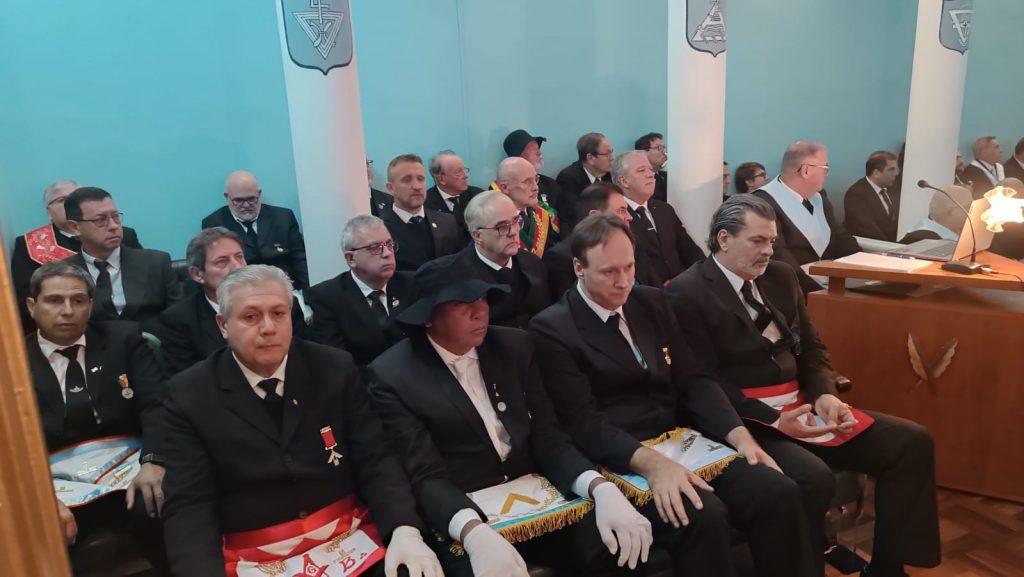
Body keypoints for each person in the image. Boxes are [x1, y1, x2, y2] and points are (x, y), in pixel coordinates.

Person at [665, 195, 941, 577]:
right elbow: (702, 382)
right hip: (749, 420)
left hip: (803, 406)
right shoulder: (687, 291)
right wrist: (775, 420)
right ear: (724, 239)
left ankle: (886, 569)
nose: (768, 251)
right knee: (812, 477)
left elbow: (812, 349)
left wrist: (825, 395)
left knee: (911, 442)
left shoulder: (781, 276)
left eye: (772, 241)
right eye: (757, 241)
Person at [529, 214, 814, 577]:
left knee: (777, 491)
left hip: (682, 441)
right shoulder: (553, 328)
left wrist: (739, 435)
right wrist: (652, 464)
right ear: (578, 268)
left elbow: (693, 379)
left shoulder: (650, 302)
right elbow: (584, 422)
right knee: (703, 514)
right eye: (609, 272)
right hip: (622, 456)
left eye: (629, 267)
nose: (623, 281)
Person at [367, 257, 653, 577]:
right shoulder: (393, 376)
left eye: (483, 299)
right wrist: (472, 531)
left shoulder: (515, 346)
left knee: (618, 545)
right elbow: (425, 474)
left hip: (538, 493)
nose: (480, 312)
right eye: (462, 304)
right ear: (428, 319)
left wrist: (598, 486)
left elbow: (548, 437)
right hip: (464, 508)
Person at [159, 265, 442, 577]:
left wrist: (403, 529)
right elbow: (189, 504)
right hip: (256, 555)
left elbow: (374, 457)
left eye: (278, 313)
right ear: (223, 325)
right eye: (251, 317)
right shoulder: (190, 394)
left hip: (345, 535)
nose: (268, 328)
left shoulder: (333, 367)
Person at [24, 262, 168, 573]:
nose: (68, 310)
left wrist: (154, 461)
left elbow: (157, 405)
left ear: (90, 305)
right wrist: (42, 498)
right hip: (57, 482)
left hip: (131, 469)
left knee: (161, 503)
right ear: (32, 306)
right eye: (54, 300)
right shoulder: (13, 360)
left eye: (78, 300)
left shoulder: (123, 339)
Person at [156, 227, 304, 376]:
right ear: (197, 274)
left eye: (239, 257)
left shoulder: (284, 305)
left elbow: (303, 360)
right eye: (222, 261)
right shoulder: (179, 320)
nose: (237, 266)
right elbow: (185, 381)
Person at [12, 180, 142, 333]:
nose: (70, 203)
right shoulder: (31, 244)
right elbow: (26, 302)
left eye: (76, 197)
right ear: (49, 212)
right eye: (62, 200)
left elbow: (144, 281)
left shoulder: (120, 235)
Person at [63, 187, 180, 334]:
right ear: (74, 227)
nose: (114, 226)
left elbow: (179, 319)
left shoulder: (156, 263)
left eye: (116, 216)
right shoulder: (62, 274)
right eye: (100, 220)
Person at [306, 215, 416, 371]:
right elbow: (336, 365)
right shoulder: (327, 297)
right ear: (351, 258)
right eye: (375, 248)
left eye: (389, 244)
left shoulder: (411, 284)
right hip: (366, 381)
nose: (387, 253)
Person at [751, 141, 860, 295]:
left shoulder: (820, 198)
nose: (827, 174)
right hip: (795, 289)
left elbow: (840, 238)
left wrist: (867, 266)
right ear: (806, 171)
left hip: (832, 280)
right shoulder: (762, 203)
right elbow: (778, 256)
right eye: (825, 168)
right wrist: (818, 293)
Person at [440, 191, 550, 329]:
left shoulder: (533, 263)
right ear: (478, 236)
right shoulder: (455, 276)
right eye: (502, 227)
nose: (513, 232)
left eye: (516, 221)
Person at [201, 170, 310, 289]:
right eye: (238, 200)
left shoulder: (283, 218)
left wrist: (308, 294)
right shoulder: (214, 224)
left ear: (259, 194)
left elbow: (300, 259)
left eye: (251, 199)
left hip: (286, 287)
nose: (246, 205)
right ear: (227, 197)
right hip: (241, 290)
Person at [615, 151, 704, 287]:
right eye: (641, 170)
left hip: (682, 288)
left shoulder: (664, 209)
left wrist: (705, 276)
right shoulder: (616, 214)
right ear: (624, 181)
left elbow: (690, 250)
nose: (650, 174)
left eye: (650, 169)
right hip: (645, 293)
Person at [544, 182, 637, 299]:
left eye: (628, 267)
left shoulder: (628, 243)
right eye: (621, 210)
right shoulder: (560, 257)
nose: (629, 217)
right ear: (594, 216)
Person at [379, 154, 463, 272]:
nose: (417, 186)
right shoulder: (380, 230)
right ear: (391, 188)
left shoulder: (447, 222)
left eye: (421, 179)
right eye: (407, 180)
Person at [493, 157, 560, 257]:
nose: (536, 187)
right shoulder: (493, 223)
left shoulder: (543, 216)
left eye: (535, 179)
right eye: (527, 182)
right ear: (505, 187)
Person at [556, 132, 614, 233]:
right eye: (607, 154)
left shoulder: (609, 175)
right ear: (590, 158)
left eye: (611, 152)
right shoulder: (569, 178)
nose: (612, 158)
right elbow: (574, 214)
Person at [843, 151, 901, 241]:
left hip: (896, 243)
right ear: (876, 173)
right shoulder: (856, 194)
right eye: (891, 169)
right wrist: (893, 246)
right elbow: (868, 231)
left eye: (897, 169)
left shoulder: (894, 189)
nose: (896, 173)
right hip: (873, 245)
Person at [426, 150, 484, 238]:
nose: (465, 176)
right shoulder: (426, 204)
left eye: (465, 170)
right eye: (458, 172)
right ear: (441, 179)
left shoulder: (478, 196)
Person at [504, 128, 562, 207]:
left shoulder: (550, 185)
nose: (539, 153)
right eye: (533, 149)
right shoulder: (503, 188)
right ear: (517, 156)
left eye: (538, 148)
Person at [898, 184, 973, 244]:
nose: (971, 212)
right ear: (951, 211)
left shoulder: (951, 233)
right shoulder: (923, 241)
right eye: (969, 207)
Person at [635, 132, 668, 202]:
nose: (664, 152)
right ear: (643, 152)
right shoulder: (636, 179)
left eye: (664, 148)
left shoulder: (667, 176)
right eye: (659, 148)